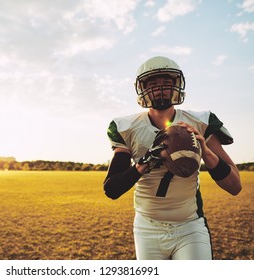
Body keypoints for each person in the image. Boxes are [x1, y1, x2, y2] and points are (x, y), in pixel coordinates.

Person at [103, 56, 242, 260]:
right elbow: (112, 189)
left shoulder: (201, 122)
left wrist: (205, 150)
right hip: (146, 228)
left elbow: (235, 186)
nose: (160, 88)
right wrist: (147, 160)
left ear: (177, 85)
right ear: (142, 88)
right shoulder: (127, 127)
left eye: (166, 82)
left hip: (189, 226)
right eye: (153, 83)